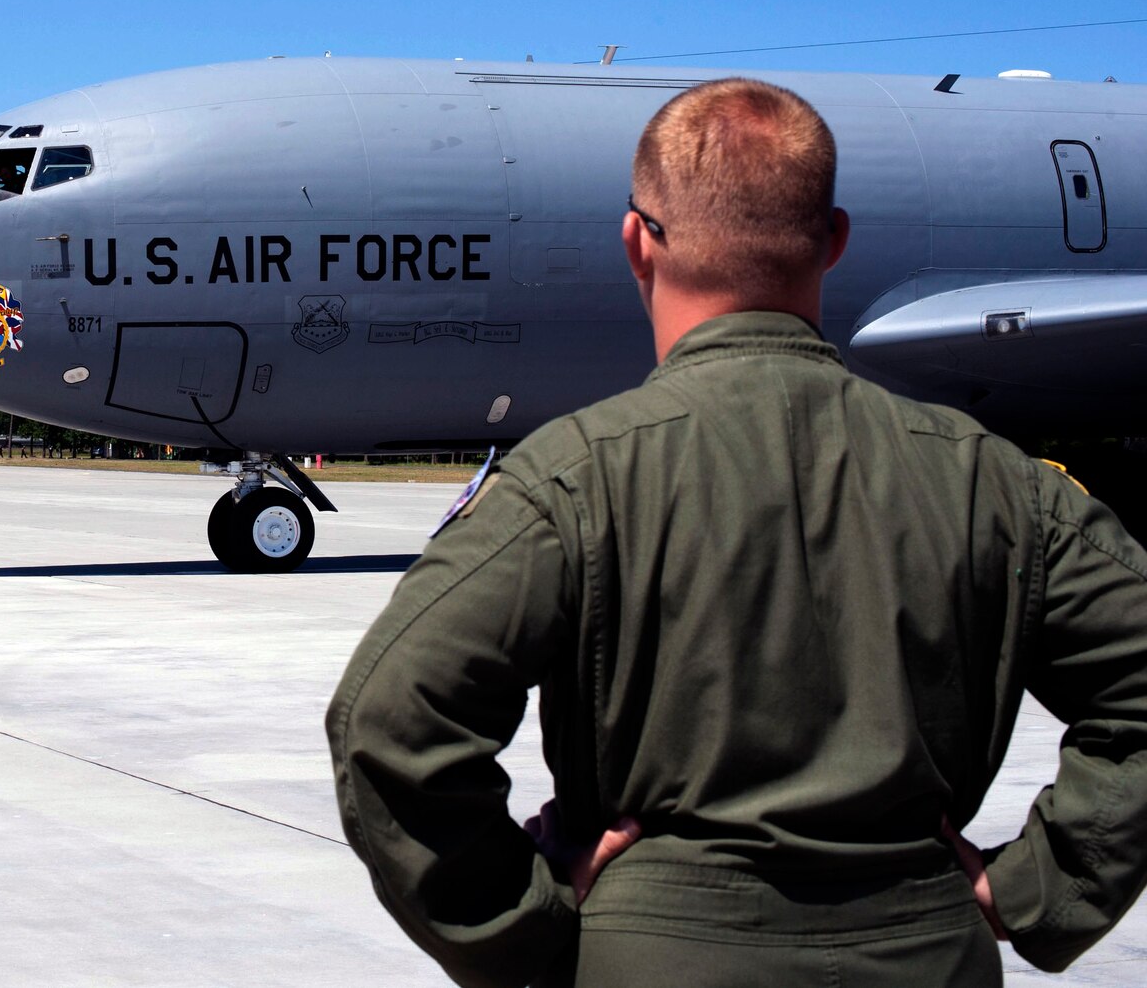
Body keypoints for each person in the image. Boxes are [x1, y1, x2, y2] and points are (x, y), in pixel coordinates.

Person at [326, 78, 1147, 986]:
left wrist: (518, 921)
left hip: (651, 954)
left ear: (637, 242)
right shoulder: (993, 480)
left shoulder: (572, 478)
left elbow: (389, 717)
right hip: (925, 949)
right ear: (833, 242)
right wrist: (1037, 886)